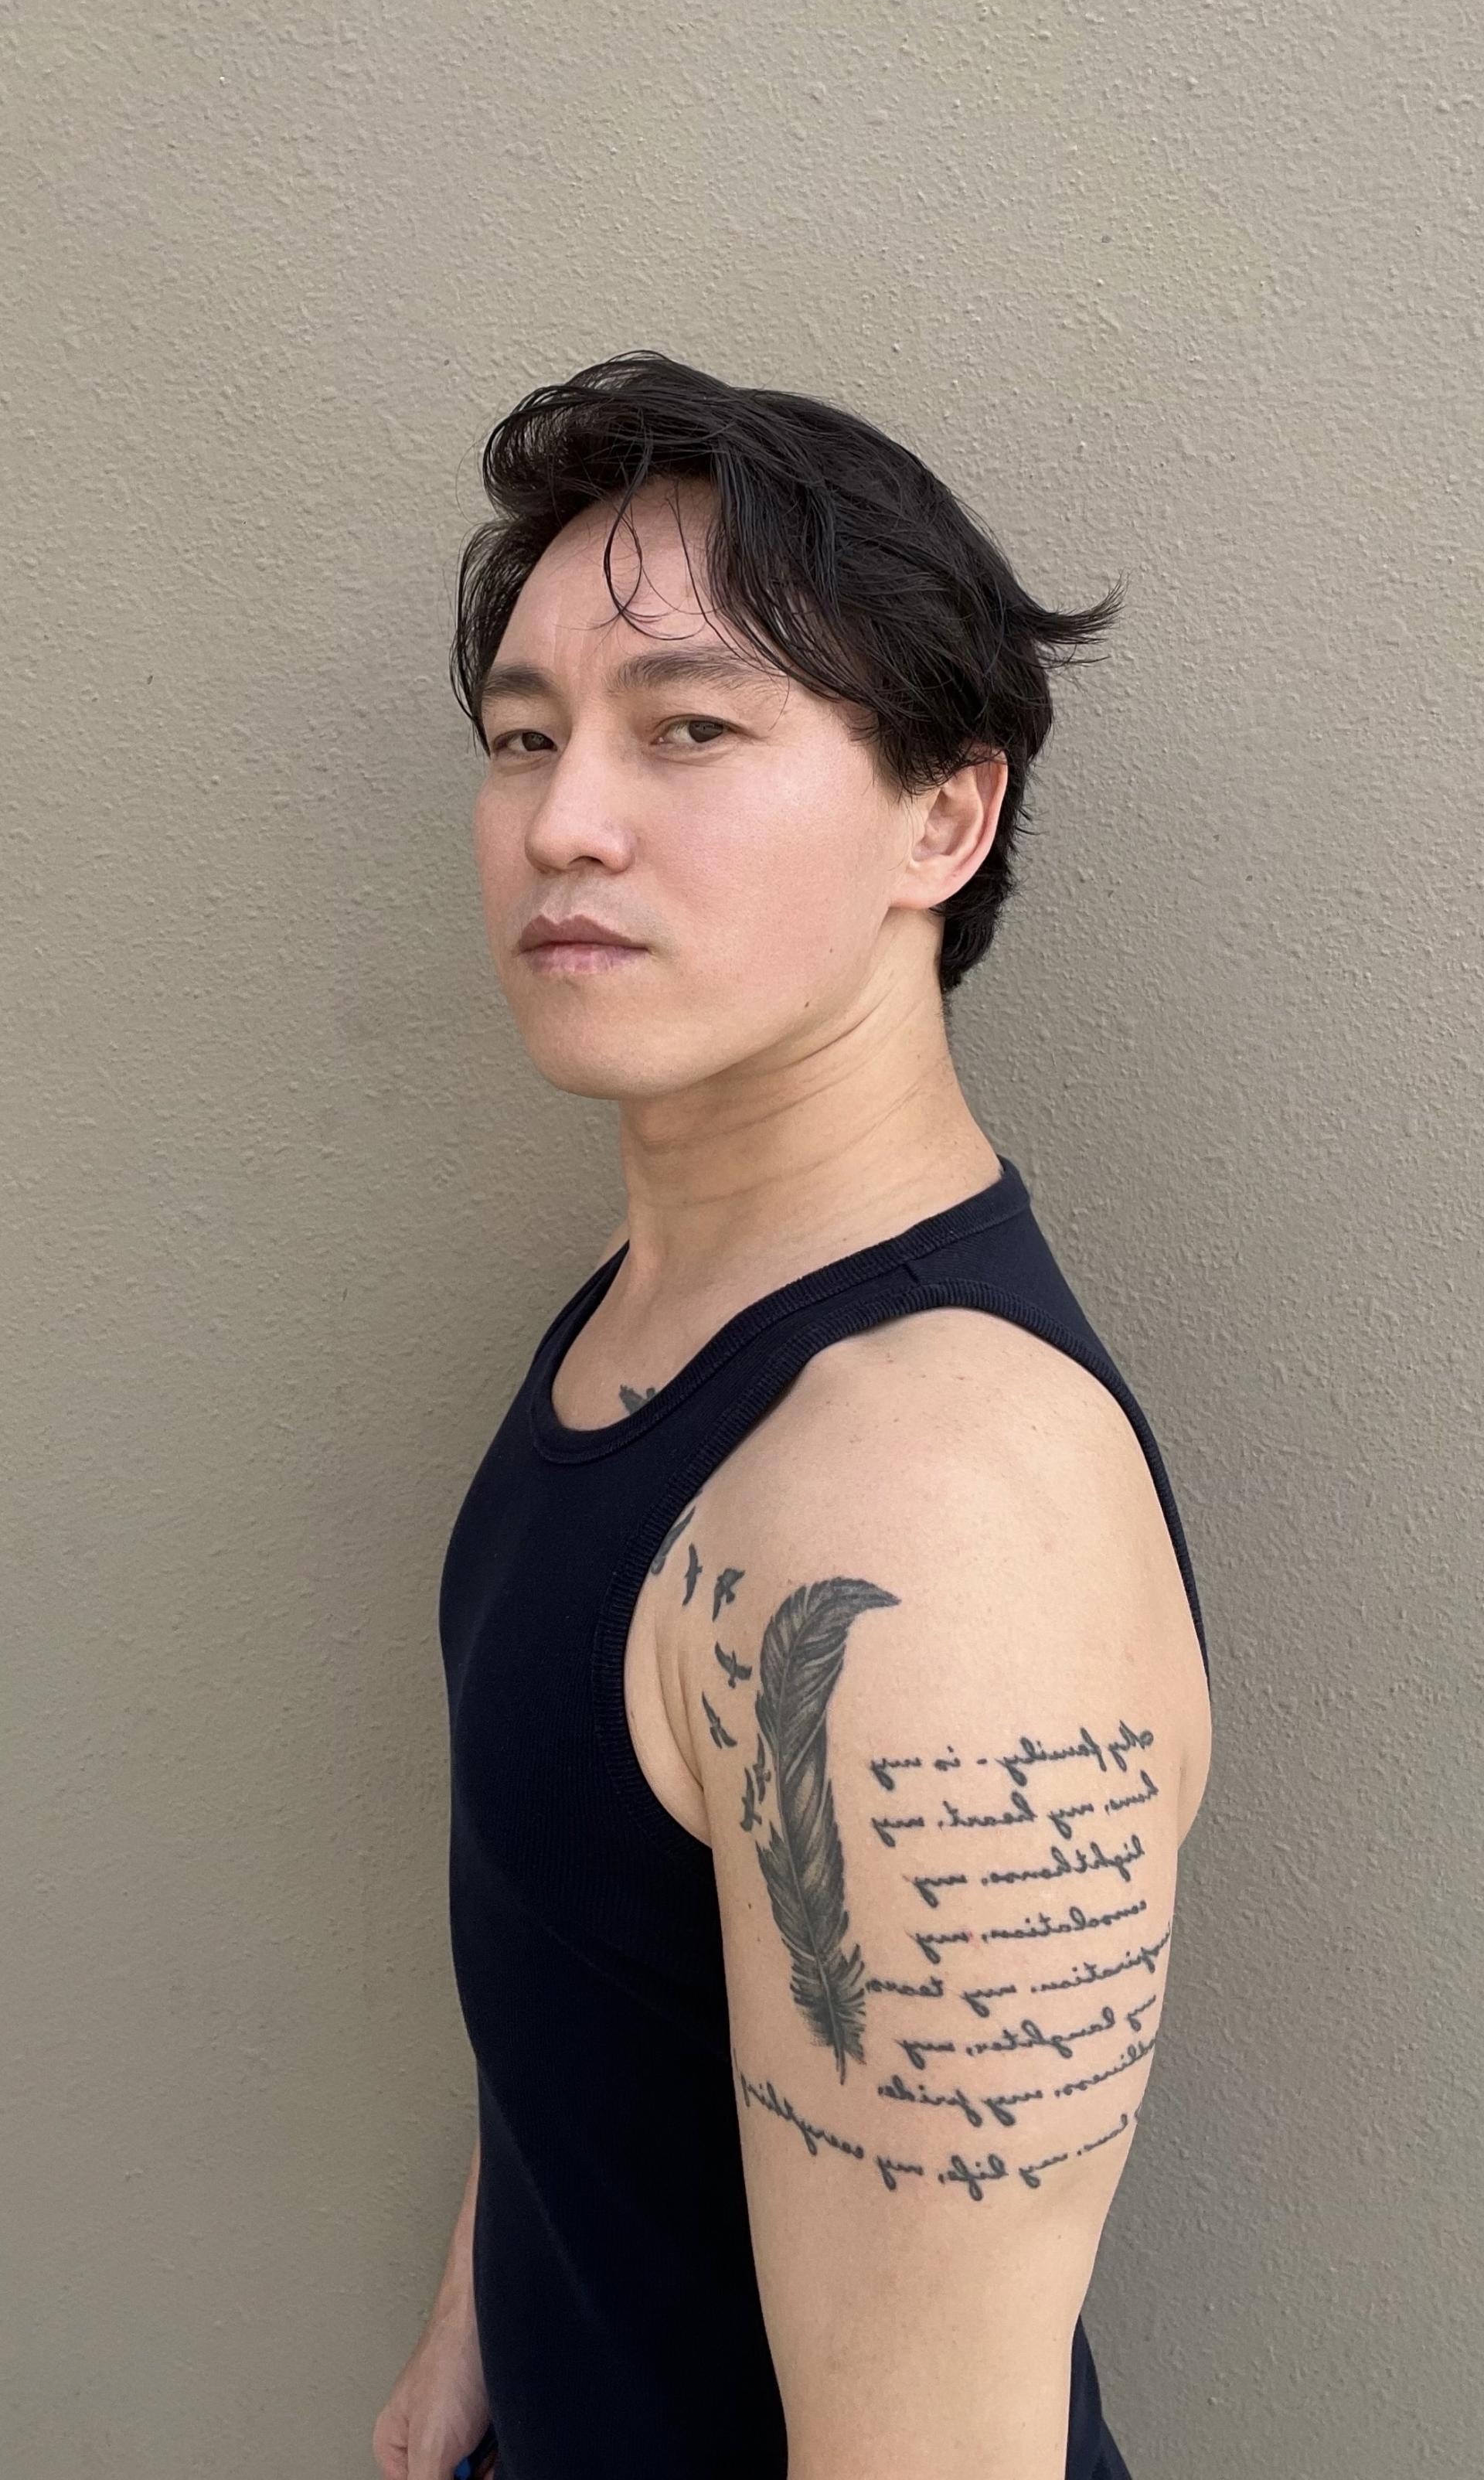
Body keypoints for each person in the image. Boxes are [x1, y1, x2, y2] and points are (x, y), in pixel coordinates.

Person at [373, 352, 1213, 2480]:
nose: (564, 819)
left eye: (690, 729)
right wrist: (488, 2306)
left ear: (946, 816)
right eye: (525, 736)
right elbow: (615, 1941)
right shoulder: (658, 1308)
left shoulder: (930, 1513)